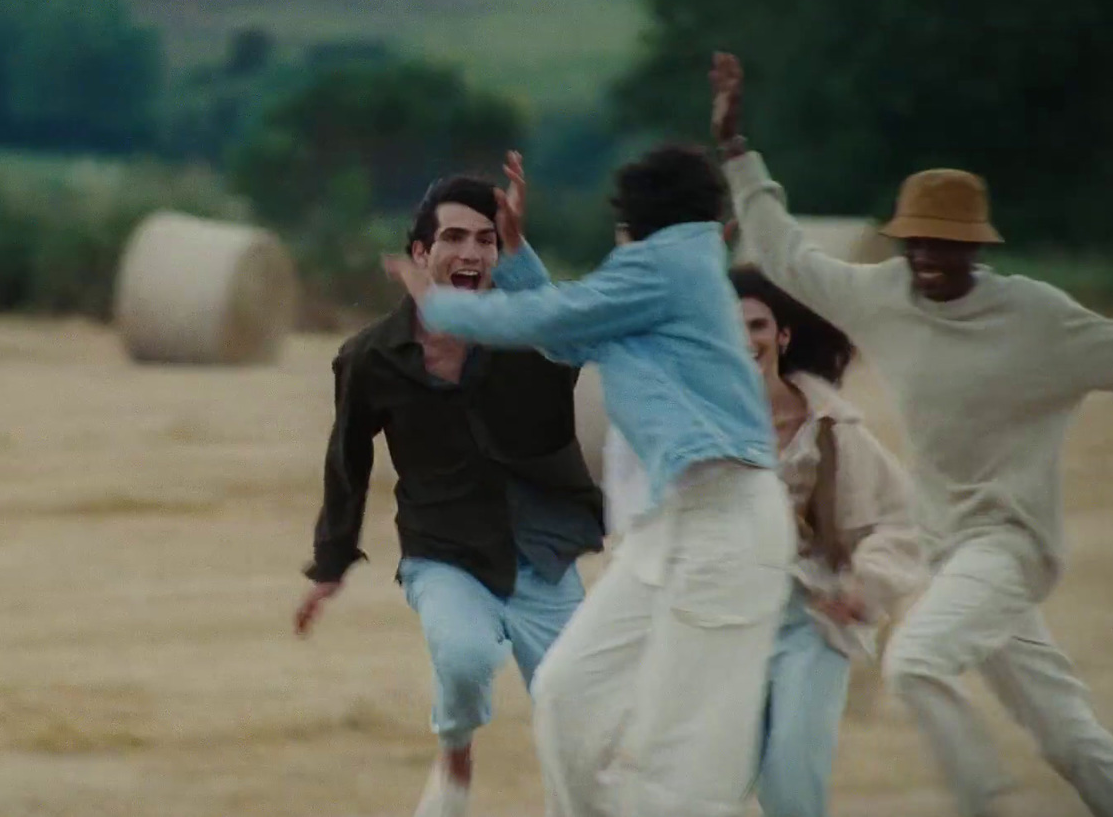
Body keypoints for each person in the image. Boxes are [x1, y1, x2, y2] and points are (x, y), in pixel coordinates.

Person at [711, 50, 1113, 817]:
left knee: (916, 662)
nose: (930, 258)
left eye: (948, 245)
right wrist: (739, 154)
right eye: (919, 243)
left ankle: (981, 801)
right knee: (1068, 734)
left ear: (979, 246)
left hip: (1009, 545)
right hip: (951, 551)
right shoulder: (884, 294)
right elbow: (784, 256)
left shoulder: (1039, 320)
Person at [385, 143, 794, 817]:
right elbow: (570, 333)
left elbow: (551, 319)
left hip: (729, 525)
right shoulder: (665, 275)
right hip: (670, 528)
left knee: (675, 770)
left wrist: (440, 306)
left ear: (635, 220)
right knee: (568, 696)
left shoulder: (670, 265)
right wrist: (514, 260)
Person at [295, 155, 606, 817]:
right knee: (465, 657)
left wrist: (524, 256)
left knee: (584, 727)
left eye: (487, 239)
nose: (472, 252)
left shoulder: (527, 337)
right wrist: (330, 562)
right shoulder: (370, 356)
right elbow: (347, 459)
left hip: (541, 555)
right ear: (421, 251)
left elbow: (571, 336)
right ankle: (456, 746)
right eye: (456, 238)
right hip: (444, 551)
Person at [729, 265, 925, 817]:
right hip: (722, 622)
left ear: (783, 334)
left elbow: (903, 518)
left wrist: (868, 584)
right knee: (711, 786)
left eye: (758, 325)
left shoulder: (834, 426)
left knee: (791, 781)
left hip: (810, 622)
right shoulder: (695, 426)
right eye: (729, 326)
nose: (745, 340)